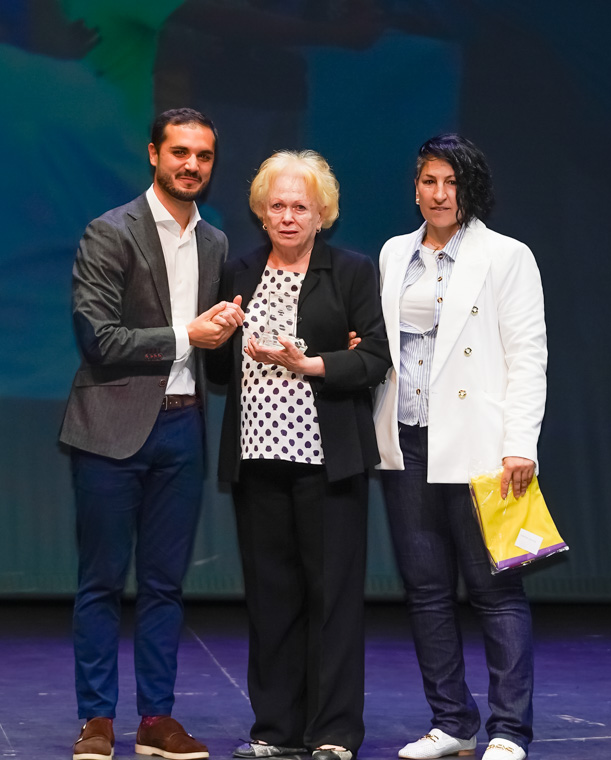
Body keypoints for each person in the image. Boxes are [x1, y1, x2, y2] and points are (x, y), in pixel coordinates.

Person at [60, 107, 245, 760]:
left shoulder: (217, 243)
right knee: (102, 582)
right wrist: (185, 336)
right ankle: (97, 721)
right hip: (111, 428)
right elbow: (98, 339)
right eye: (179, 153)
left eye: (203, 155)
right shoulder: (109, 233)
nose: (191, 165)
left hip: (182, 426)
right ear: (153, 155)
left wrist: (242, 338)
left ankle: (157, 719)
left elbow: (215, 355)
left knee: (165, 585)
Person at [207, 150, 390, 760]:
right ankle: (276, 730)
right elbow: (216, 371)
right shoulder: (240, 271)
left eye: (300, 207)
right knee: (272, 597)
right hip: (258, 457)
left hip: (326, 458)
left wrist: (311, 364)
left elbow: (374, 359)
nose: (288, 217)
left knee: (332, 598)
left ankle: (334, 732)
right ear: (261, 212)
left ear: (322, 215)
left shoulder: (352, 271)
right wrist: (218, 333)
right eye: (278, 206)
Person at [373, 134, 547, 760]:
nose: (438, 194)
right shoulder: (396, 253)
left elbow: (529, 358)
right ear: (415, 187)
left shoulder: (506, 257)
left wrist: (519, 443)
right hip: (409, 440)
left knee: (495, 590)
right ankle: (453, 721)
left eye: (450, 182)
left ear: (469, 189)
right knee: (425, 589)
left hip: (479, 445)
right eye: (428, 181)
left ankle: (508, 729)